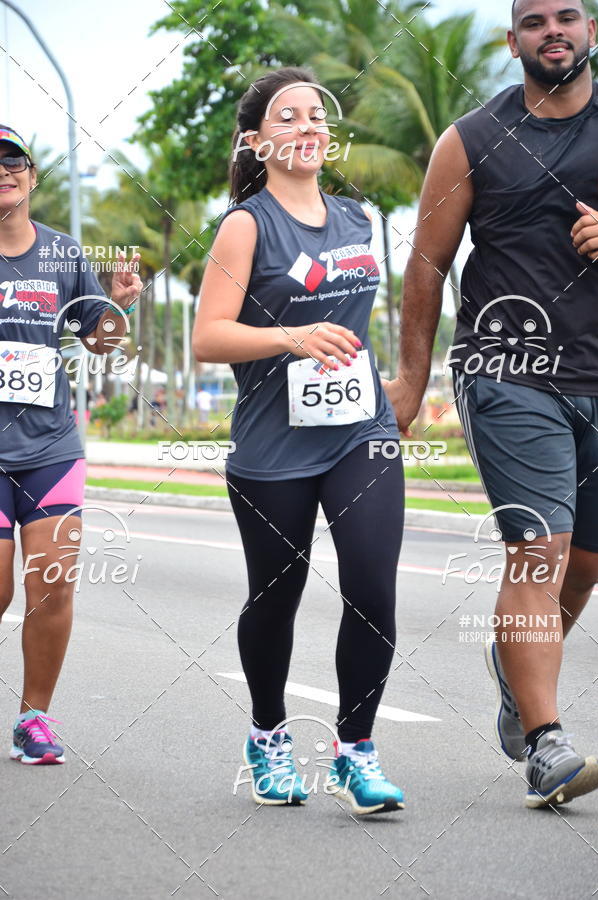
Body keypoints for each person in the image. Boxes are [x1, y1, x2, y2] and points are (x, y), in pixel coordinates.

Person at [387, 0, 598, 808]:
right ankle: (548, 746)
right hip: (508, 369)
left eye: (569, 15)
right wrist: (409, 380)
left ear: (591, 32)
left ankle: (515, 676)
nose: (554, 30)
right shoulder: (471, 140)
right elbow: (427, 266)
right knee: (540, 551)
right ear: (513, 41)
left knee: (588, 563)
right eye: (535, 19)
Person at [193, 68, 405, 814]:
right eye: (289, 116)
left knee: (374, 591)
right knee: (275, 599)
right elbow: (207, 337)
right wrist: (291, 337)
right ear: (257, 141)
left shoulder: (360, 218)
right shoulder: (245, 225)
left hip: (361, 433)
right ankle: (268, 736)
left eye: (317, 114)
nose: (308, 126)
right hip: (272, 446)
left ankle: (357, 751)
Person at [0, 125, 142, 764]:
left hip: (51, 446)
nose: (4, 172)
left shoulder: (61, 254)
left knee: (52, 585)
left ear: (31, 178)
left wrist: (117, 307)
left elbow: (102, 342)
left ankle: (35, 720)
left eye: (14, 163)